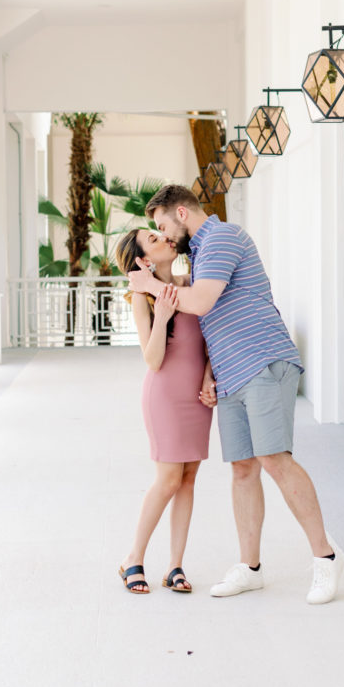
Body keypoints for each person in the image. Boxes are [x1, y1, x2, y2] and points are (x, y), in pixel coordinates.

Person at [127, 185, 343, 605]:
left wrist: (151, 286)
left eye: (162, 226)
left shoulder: (222, 238)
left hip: (262, 360)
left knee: (276, 460)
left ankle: (326, 558)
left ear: (183, 213)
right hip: (230, 375)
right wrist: (210, 372)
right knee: (243, 469)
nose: (165, 236)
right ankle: (250, 567)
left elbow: (203, 303)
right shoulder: (199, 254)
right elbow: (208, 323)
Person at [115, 226, 215, 595]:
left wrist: (208, 378)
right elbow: (153, 359)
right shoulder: (142, 296)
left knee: (188, 479)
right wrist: (163, 313)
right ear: (143, 260)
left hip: (197, 398)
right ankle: (133, 558)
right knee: (168, 479)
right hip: (164, 397)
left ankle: (175, 565)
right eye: (154, 240)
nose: (164, 239)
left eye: (161, 234)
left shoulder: (193, 283)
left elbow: (209, 342)